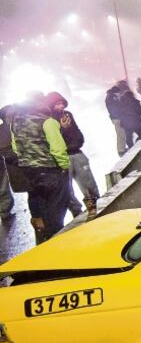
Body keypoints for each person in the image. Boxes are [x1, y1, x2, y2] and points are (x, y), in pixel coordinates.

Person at [9, 93, 71, 242]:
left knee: (42, 207)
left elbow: (15, 148)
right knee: (56, 211)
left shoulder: (15, 122)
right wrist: (64, 166)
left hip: (29, 171)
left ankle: (45, 242)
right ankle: (57, 242)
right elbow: (57, 148)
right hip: (50, 170)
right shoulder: (48, 121)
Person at [46, 92, 99, 220]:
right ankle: (77, 211)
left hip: (76, 152)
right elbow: (55, 139)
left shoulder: (68, 114)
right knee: (66, 188)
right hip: (63, 156)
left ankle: (94, 205)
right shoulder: (50, 120)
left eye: (62, 103)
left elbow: (76, 131)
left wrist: (78, 141)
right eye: (57, 104)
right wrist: (63, 129)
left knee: (88, 182)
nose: (61, 107)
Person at [113, 80, 141, 150]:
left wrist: (120, 120)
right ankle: (137, 145)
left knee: (129, 137)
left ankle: (131, 149)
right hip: (136, 123)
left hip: (126, 124)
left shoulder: (120, 102)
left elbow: (118, 112)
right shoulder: (134, 102)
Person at [105, 81, 129, 155]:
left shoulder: (111, 97)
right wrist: (120, 115)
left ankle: (122, 148)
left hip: (117, 118)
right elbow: (114, 109)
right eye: (118, 93)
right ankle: (121, 150)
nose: (119, 95)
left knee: (122, 133)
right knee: (120, 134)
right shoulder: (111, 98)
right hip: (117, 119)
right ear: (116, 92)